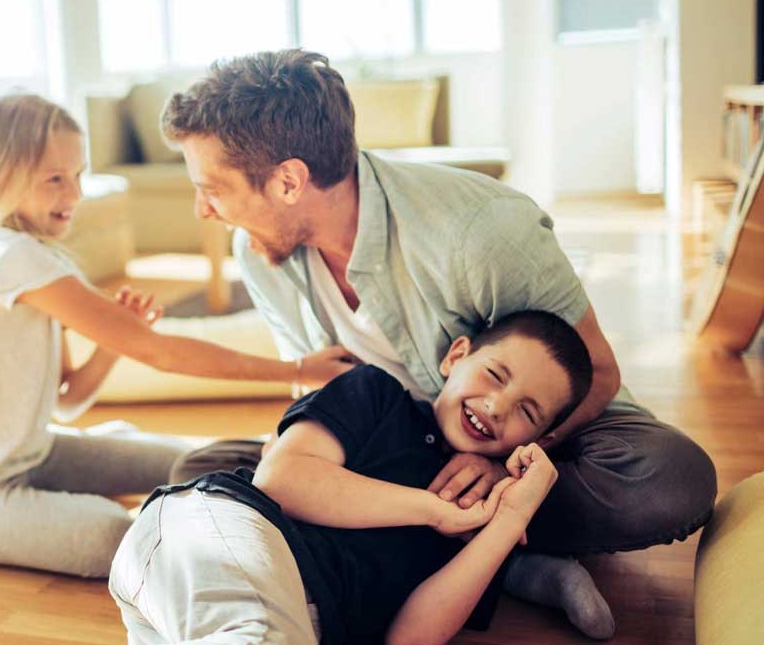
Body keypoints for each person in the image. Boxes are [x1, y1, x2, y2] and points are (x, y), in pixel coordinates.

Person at [159, 49, 716, 638]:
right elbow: (325, 397)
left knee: (669, 479)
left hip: (535, 434)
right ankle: (509, 557)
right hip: (393, 446)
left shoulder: (479, 232)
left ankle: (485, 540)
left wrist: (501, 462)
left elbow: (596, 372)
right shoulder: (261, 254)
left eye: (211, 189)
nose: (203, 209)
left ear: (289, 180)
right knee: (200, 473)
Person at [0, 93, 352, 578]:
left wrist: (116, 343)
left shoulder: (34, 257)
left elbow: (68, 402)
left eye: (78, 175)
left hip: (30, 454)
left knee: (194, 462)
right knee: (116, 537)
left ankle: (315, 490)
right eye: (55, 179)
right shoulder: (5, 258)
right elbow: (160, 354)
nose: (73, 195)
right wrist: (300, 370)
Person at [110, 311, 606, 644]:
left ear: (538, 440)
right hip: (216, 533)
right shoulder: (376, 394)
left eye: (526, 411)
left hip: (276, 618)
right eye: (495, 376)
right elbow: (281, 479)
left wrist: (507, 520)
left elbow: (409, 638)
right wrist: (434, 511)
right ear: (456, 357)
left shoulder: (484, 507)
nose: (496, 406)